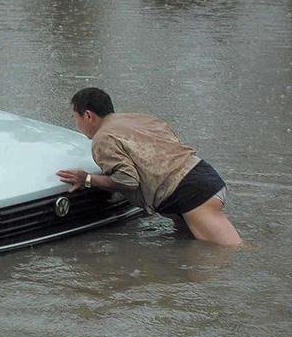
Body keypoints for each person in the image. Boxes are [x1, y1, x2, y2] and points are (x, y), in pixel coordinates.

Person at [56, 87, 242, 246]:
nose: (77, 125)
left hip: (191, 195)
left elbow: (128, 180)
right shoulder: (140, 118)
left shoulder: (103, 138)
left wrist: (87, 179)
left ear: (88, 115)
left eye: (75, 118)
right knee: (190, 246)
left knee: (228, 253)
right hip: (202, 175)